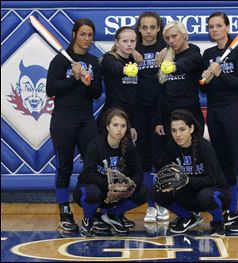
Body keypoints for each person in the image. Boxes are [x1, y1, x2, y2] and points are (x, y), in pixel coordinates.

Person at [201, 12, 238, 232]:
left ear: (226, 27)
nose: (214, 30)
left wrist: (221, 73)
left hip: (234, 110)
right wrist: (207, 77)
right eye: (211, 26)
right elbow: (203, 88)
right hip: (214, 112)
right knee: (224, 163)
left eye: (218, 26)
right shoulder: (208, 54)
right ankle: (233, 211)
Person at [46, 18, 102, 231]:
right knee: (64, 167)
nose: (86, 39)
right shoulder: (60, 61)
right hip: (63, 119)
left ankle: (92, 212)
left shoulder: (94, 61)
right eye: (83, 34)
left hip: (86, 119)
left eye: (90, 35)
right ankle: (65, 213)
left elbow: (97, 93)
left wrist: (87, 83)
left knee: (93, 167)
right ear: (74, 35)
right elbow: (51, 89)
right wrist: (74, 78)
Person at [155, 109, 232, 236]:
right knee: (158, 192)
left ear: (191, 128)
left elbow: (212, 180)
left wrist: (187, 179)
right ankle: (188, 217)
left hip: (216, 193)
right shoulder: (171, 147)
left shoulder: (204, 146)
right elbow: (168, 174)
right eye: (174, 130)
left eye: (182, 129)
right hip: (190, 193)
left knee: (205, 196)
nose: (178, 134)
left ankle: (218, 222)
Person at [73, 108, 147, 236]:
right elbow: (87, 174)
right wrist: (110, 186)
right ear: (108, 127)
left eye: (123, 126)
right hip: (94, 190)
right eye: (115, 125)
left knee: (143, 192)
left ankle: (110, 215)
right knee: (92, 192)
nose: (119, 129)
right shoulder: (96, 145)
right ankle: (88, 220)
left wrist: (129, 185)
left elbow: (138, 172)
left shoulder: (128, 146)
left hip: (118, 193)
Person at [133, 11, 169, 223]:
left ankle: (164, 203)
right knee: (144, 160)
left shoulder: (167, 48)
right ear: (139, 29)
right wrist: (131, 53)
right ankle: (150, 206)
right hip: (138, 111)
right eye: (144, 27)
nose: (148, 32)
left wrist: (168, 49)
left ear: (158, 29)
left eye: (152, 27)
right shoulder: (132, 48)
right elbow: (111, 53)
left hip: (160, 110)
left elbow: (183, 44)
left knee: (160, 159)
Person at [155, 21, 205, 139]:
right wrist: (159, 120)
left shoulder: (194, 53)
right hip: (169, 117)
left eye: (174, 36)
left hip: (191, 114)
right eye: (167, 38)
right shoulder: (166, 56)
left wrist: (174, 67)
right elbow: (161, 92)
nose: (171, 41)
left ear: (184, 35)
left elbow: (187, 63)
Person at [96, 26, 138, 142]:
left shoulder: (134, 60)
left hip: (129, 115)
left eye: (132, 41)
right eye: (125, 41)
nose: (129, 44)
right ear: (116, 42)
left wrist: (132, 124)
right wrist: (126, 70)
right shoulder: (109, 58)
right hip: (112, 114)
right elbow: (115, 68)